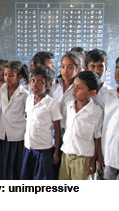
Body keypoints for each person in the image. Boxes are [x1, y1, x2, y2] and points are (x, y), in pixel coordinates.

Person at [59, 71, 104, 180]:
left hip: (83, 159)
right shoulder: (68, 106)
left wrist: (94, 160)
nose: (74, 91)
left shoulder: (96, 111)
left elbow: (97, 137)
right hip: (66, 155)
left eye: (79, 88)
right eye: (74, 86)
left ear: (92, 93)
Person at [20, 66, 62, 180]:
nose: (35, 84)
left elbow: (57, 130)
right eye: (33, 80)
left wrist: (56, 151)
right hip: (29, 148)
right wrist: (26, 143)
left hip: (44, 150)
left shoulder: (52, 104)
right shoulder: (29, 99)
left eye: (40, 82)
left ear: (49, 85)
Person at [49, 51, 83, 179]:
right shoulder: (54, 86)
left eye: (70, 67)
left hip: (70, 136)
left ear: (78, 69)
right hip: (53, 135)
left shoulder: (80, 88)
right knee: (54, 170)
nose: (65, 71)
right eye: (63, 66)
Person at [0, 61, 30, 180]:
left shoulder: (25, 94)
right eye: (5, 74)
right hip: (4, 132)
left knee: (15, 164)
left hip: (17, 134)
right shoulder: (3, 89)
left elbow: (28, 116)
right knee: (3, 162)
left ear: (19, 77)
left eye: (11, 75)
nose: (6, 78)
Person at [99, 58, 119, 179]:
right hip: (109, 157)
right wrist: (99, 155)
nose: (118, 72)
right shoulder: (107, 96)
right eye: (117, 68)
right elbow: (100, 127)